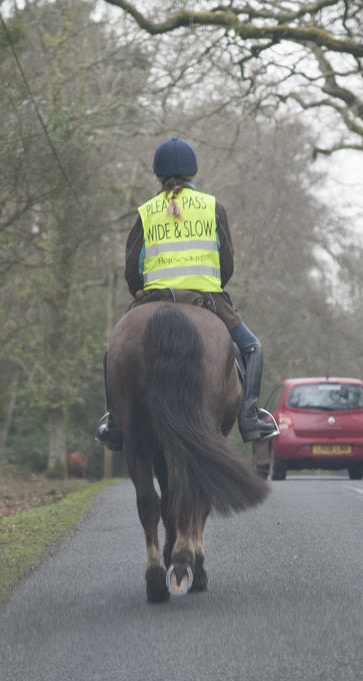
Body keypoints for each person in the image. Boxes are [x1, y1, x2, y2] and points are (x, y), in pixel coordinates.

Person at [96, 137, 278, 450]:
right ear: (193, 172)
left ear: (157, 174)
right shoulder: (212, 206)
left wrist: (138, 291)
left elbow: (131, 267)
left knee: (113, 349)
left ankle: (114, 421)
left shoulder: (147, 211)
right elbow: (226, 262)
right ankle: (250, 417)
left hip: (152, 299)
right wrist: (211, 281)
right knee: (251, 348)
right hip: (205, 299)